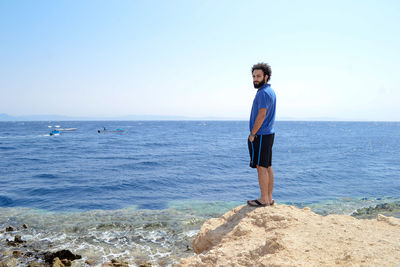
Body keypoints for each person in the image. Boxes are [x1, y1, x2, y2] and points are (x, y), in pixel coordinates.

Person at [247, 62, 276, 207]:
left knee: (261, 167)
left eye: (258, 76)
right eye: (253, 76)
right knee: (267, 166)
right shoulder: (269, 92)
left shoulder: (263, 93)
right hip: (268, 134)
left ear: (266, 76)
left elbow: (262, 114)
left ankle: (264, 199)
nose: (255, 79)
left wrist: (253, 133)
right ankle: (269, 198)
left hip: (261, 134)